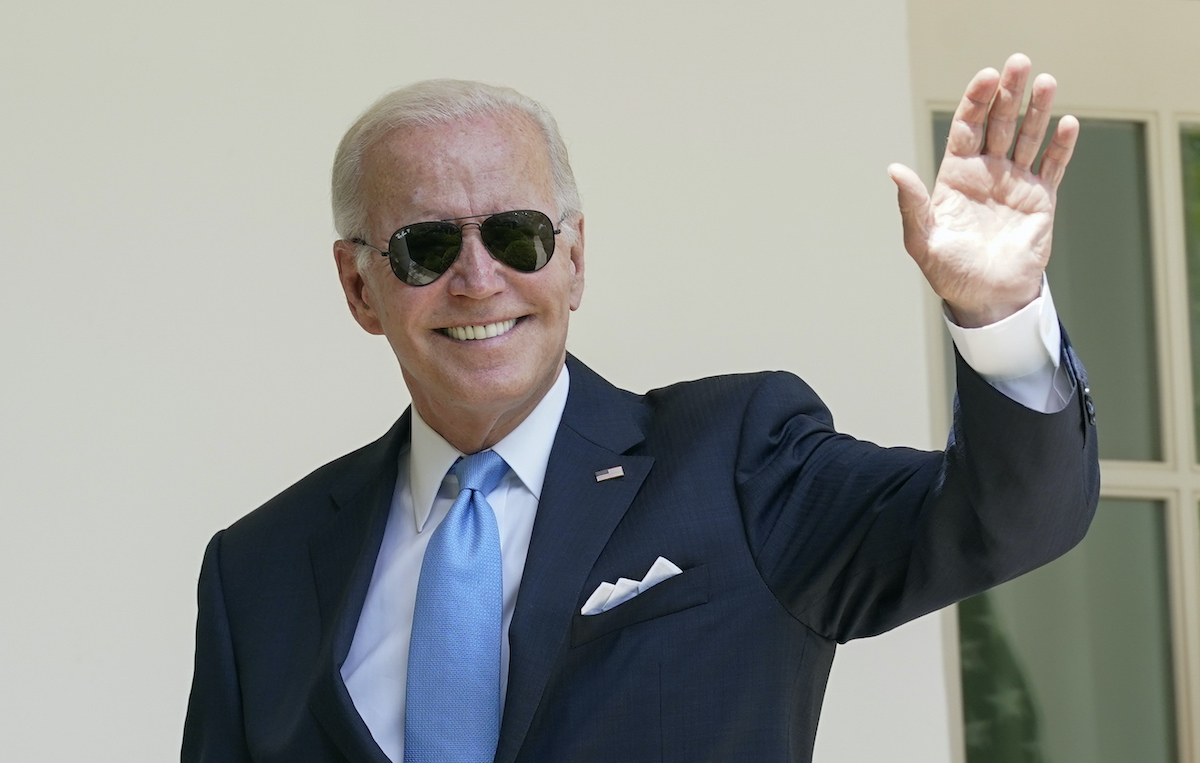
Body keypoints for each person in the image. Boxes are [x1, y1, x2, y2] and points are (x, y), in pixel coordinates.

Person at [182, 54, 1099, 763]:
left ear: (574, 260)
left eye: (516, 236)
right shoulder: (257, 569)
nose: (478, 279)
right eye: (425, 247)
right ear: (359, 286)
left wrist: (999, 316)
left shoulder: (737, 463)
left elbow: (1006, 521)